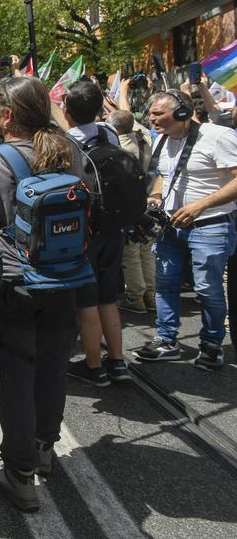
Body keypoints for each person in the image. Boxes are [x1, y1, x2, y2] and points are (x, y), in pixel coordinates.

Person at [0, 77, 82, 513]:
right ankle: (45, 449)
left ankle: (20, 474)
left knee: (16, 377)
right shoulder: (73, 155)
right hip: (65, 280)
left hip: (12, 285)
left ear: (6, 116)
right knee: (53, 368)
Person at [134, 90, 237, 369]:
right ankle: (167, 340)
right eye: (150, 113)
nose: (151, 118)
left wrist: (200, 205)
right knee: (165, 285)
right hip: (170, 227)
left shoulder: (218, 136)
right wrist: (156, 197)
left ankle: (212, 344)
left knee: (207, 289)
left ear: (181, 113)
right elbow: (164, 177)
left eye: (158, 114)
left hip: (210, 226)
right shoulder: (161, 140)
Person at [61, 80, 129, 386]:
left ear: (67, 110)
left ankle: (93, 366)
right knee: (108, 297)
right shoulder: (109, 131)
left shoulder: (63, 141)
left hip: (83, 228)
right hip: (113, 223)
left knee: (85, 302)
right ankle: (117, 362)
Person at [108, 110, 156, 315]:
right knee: (146, 250)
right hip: (147, 199)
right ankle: (150, 295)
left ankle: (135, 297)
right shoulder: (144, 137)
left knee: (131, 252)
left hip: (130, 204)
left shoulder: (120, 148)